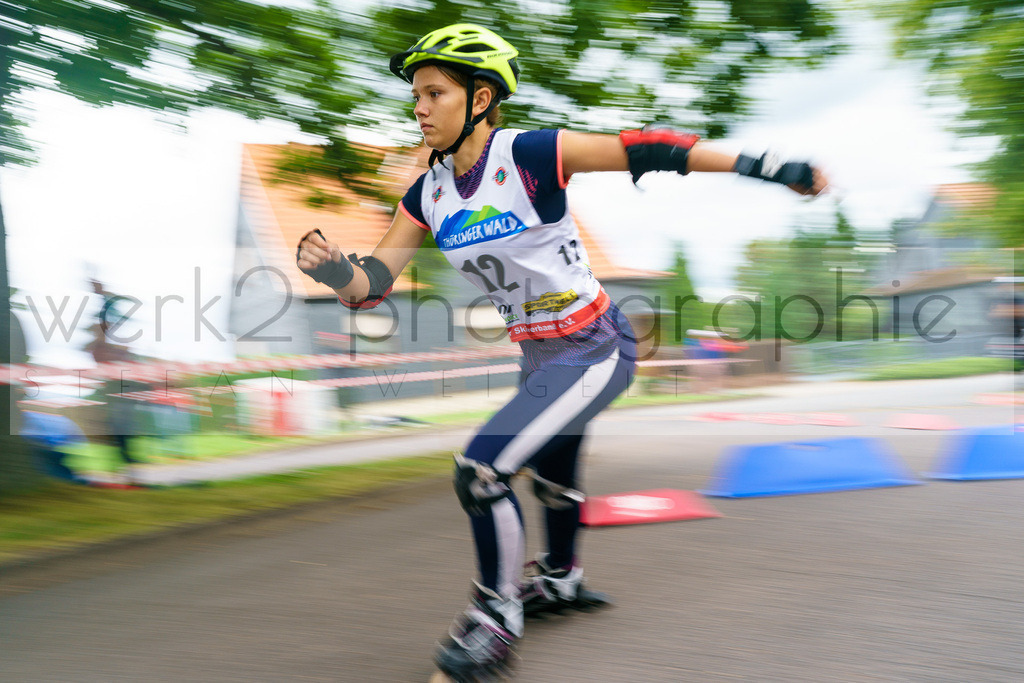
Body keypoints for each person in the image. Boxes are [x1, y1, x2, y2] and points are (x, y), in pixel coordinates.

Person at [296, 23, 828, 680]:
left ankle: (495, 620)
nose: (420, 109)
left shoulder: (529, 153)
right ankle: (560, 579)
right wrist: (333, 271)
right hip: (538, 356)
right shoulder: (427, 193)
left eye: (435, 93)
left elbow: (647, 149)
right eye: (416, 96)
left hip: (594, 346)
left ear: (481, 98)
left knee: (481, 470)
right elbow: (372, 285)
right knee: (551, 478)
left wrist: (767, 168)